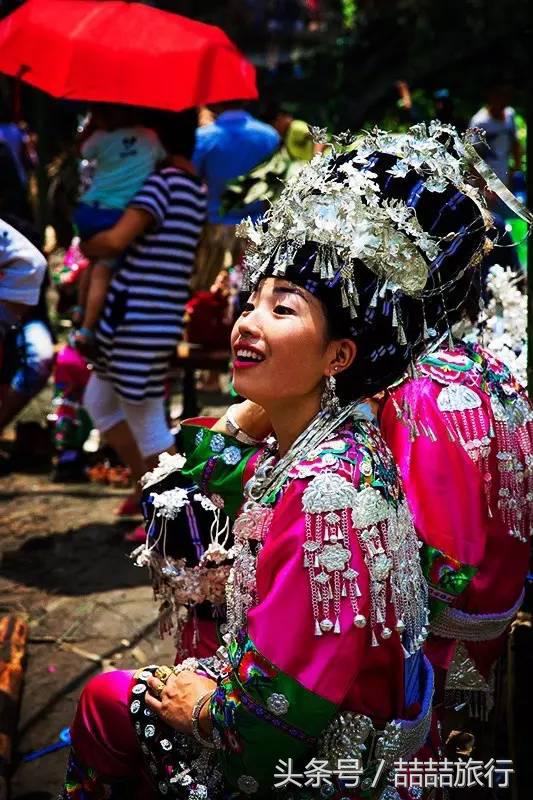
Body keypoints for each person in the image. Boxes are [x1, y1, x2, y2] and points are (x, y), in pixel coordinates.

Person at [60, 121, 494, 799]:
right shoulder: (319, 444)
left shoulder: (325, 492)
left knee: (108, 697)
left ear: (339, 356)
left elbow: (265, 733)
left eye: (282, 308)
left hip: (310, 773)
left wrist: (199, 705)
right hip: (354, 726)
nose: (246, 321)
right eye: (253, 299)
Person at [78, 110, 207, 528]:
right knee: (101, 402)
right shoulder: (195, 187)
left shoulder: (162, 183)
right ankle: (147, 491)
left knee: (147, 416)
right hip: (156, 317)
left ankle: (175, 514)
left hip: (137, 318)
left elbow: (116, 239)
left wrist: (88, 241)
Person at [72, 104, 166, 353]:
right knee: (103, 270)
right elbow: (161, 160)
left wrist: (92, 125)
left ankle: (79, 311)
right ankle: (86, 331)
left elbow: (82, 151)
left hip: (87, 210)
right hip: (114, 214)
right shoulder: (150, 137)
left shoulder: (101, 138)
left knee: (92, 262)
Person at [191, 101, 280, 291]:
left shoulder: (204, 137)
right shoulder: (269, 136)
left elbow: (193, 181)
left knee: (208, 295)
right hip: (255, 231)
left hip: (215, 232)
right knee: (250, 293)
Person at [469, 82, 521, 187]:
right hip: (487, 182)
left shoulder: (510, 114)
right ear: (491, 97)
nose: (502, 100)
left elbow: (516, 145)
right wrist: (482, 183)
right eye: (498, 96)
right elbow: (473, 157)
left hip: (506, 177)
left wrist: (515, 170)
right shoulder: (480, 121)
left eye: (505, 97)